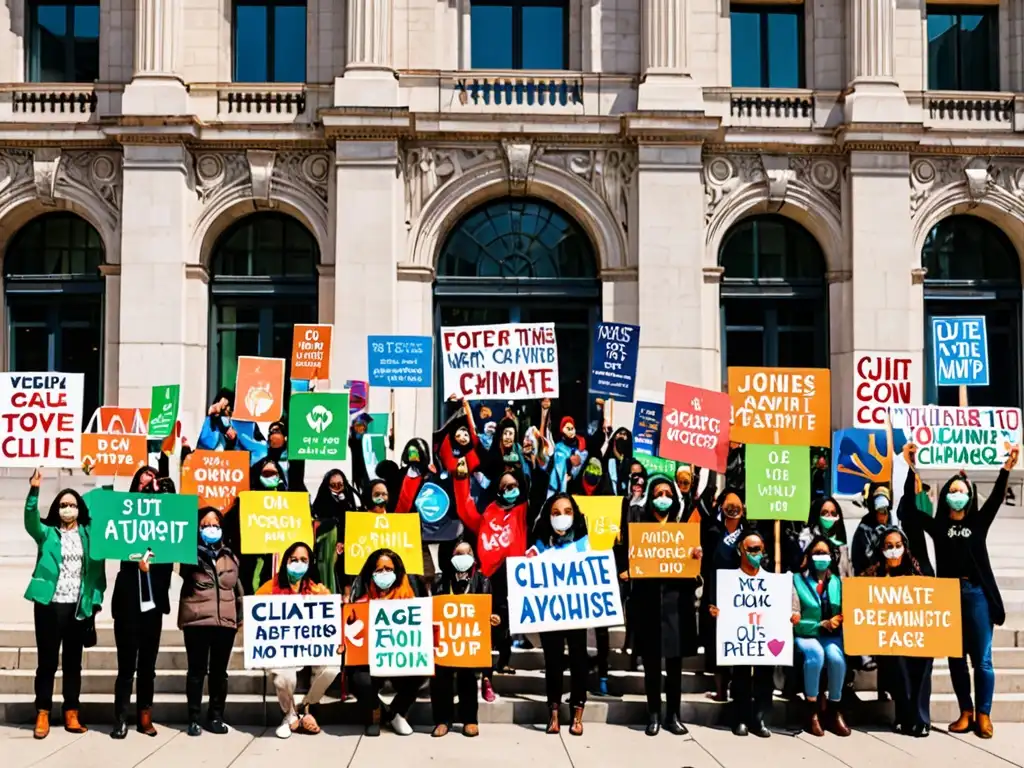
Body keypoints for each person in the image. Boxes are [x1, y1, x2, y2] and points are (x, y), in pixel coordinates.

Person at [902, 442, 1018, 739]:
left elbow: (994, 499)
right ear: (944, 496)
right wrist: (910, 467)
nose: (956, 495)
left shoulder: (979, 522)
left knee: (983, 660)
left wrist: (1006, 468)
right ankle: (965, 712)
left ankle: (984, 714)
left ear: (968, 496)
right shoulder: (938, 526)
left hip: (977, 594)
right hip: (948, 597)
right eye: (951, 491)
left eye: (961, 490)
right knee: (956, 659)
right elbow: (912, 511)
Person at [24, 468, 106, 739]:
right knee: (47, 662)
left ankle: (71, 711)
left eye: (72, 505)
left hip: (77, 608)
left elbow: (106, 511)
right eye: (63, 505)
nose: (67, 509)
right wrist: (34, 490)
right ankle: (43, 713)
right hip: (49, 605)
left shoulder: (89, 534)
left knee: (73, 663)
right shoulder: (47, 533)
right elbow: (30, 520)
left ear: (79, 509)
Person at [615, 475, 699, 736]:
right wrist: (625, 570)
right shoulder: (637, 527)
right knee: (651, 664)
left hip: (676, 606)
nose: (663, 498)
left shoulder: (681, 528)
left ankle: (673, 715)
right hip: (647, 605)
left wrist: (695, 559)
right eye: (658, 493)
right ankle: (653, 714)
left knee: (674, 666)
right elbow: (624, 559)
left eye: (668, 494)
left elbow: (693, 572)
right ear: (651, 496)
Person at [110, 466, 175, 739]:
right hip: (127, 602)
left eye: (153, 484)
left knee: (148, 665)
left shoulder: (168, 521)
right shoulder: (124, 522)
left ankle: (145, 716)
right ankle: (121, 718)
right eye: (143, 484)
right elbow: (106, 520)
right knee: (127, 666)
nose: (148, 488)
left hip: (154, 604)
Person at [452, 467, 529, 695]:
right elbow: (466, 512)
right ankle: (486, 676)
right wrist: (461, 479)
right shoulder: (489, 512)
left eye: (513, 486)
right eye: (505, 487)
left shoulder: (524, 510)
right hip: (488, 577)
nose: (509, 490)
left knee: (505, 624)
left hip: (515, 576)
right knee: (489, 624)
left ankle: (503, 660)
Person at [256, 541, 339, 738]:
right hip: (279, 650)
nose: (298, 564)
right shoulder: (269, 589)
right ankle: (289, 714)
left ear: (310, 564)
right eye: (294, 560)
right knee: (286, 677)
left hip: (310, 648)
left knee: (332, 668)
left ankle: (305, 706)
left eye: (304, 560)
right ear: (285, 562)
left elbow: (331, 619)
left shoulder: (318, 591)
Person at [347, 549, 428, 736]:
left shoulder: (411, 600)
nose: (384, 574)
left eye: (388, 569)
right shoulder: (360, 602)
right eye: (379, 570)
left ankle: (397, 713)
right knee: (358, 680)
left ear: (397, 572)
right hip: (369, 662)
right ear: (371, 573)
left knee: (421, 670)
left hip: (400, 661)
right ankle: (375, 712)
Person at [178, 506, 244, 736]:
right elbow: (181, 570)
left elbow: (238, 589)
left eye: (215, 525)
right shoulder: (187, 553)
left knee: (219, 673)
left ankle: (216, 716)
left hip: (224, 623)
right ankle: (193, 718)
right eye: (205, 525)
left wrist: (240, 617)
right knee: (196, 672)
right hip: (197, 621)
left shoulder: (231, 555)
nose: (211, 529)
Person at [863, 526, 933, 737]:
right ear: (881, 549)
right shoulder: (873, 574)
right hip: (889, 638)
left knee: (922, 666)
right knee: (899, 668)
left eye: (898, 546)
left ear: (905, 547)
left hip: (918, 634)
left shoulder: (917, 571)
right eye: (889, 546)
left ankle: (921, 719)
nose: (894, 550)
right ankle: (903, 717)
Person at [532, 493, 591, 736]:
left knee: (579, 662)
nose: (562, 517)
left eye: (567, 512)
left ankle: (578, 711)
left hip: (577, 612)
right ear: (548, 516)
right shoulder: (540, 545)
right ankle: (553, 711)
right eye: (556, 513)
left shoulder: (584, 543)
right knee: (553, 663)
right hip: (551, 613)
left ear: (575, 515)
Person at [430, 538, 498, 737]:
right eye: (458, 554)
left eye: (467, 553)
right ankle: (442, 720)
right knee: (441, 679)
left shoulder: (483, 581)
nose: (463, 558)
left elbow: (494, 609)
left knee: (467, 677)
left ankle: (469, 719)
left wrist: (495, 618)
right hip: (445, 640)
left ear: (474, 558)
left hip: (469, 641)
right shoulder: (440, 582)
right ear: (451, 558)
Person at [709, 529, 773, 738]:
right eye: (751, 549)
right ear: (740, 550)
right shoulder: (730, 579)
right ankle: (741, 719)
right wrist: (716, 610)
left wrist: (790, 616)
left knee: (764, 677)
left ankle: (760, 718)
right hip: (741, 638)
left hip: (764, 638)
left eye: (758, 549)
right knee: (741, 676)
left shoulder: (772, 579)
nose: (755, 553)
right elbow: (720, 604)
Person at [790, 535, 850, 737]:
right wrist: (819, 624)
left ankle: (834, 711)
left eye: (824, 553)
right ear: (808, 556)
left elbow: (847, 610)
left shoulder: (838, 583)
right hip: (807, 634)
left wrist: (839, 619)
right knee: (815, 655)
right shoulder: (797, 581)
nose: (821, 557)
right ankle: (812, 711)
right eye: (817, 553)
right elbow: (795, 619)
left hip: (831, 635)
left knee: (835, 657)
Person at [700, 488, 745, 702]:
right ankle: (720, 690)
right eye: (729, 506)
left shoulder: (748, 535)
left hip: (741, 595)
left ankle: (738, 688)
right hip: (715, 593)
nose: (733, 509)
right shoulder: (712, 530)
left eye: (737, 506)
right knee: (718, 643)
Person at [311, 469, 358, 593]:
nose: (337, 487)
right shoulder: (321, 502)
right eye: (333, 485)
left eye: (340, 484)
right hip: (327, 551)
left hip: (348, 549)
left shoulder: (348, 500)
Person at [851, 483, 894, 575]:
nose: (884, 514)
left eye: (886, 510)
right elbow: (870, 556)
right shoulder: (864, 529)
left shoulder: (890, 523)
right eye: (880, 510)